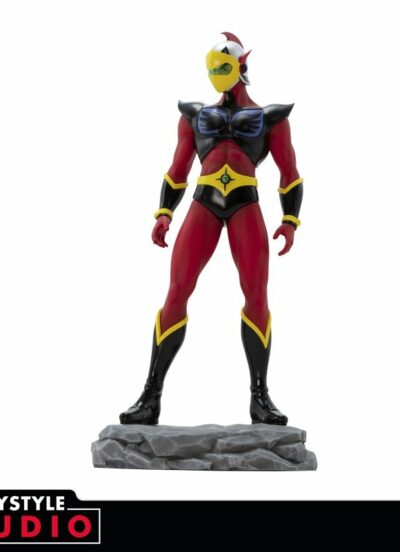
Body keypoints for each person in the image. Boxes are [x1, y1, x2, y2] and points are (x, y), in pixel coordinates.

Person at [120, 32, 303, 426]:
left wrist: (290, 220)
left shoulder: (271, 118)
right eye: (212, 67)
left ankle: (260, 397)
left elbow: (289, 173)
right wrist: (164, 212)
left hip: (245, 205)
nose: (216, 72)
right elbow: (177, 169)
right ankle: (150, 395)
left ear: (241, 64)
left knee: (257, 294)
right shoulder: (194, 115)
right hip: (203, 203)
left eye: (223, 65)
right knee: (176, 292)